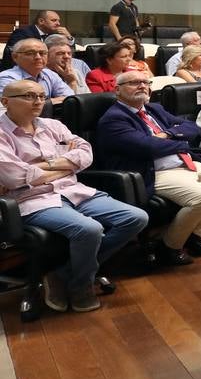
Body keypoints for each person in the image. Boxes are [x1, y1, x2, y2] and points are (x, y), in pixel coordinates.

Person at [0, 79, 148, 313]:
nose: (38, 101)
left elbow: (85, 154)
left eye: (41, 96)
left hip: (74, 191)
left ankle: (63, 274)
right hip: (33, 199)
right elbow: (13, 176)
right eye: (28, 96)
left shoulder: (52, 125)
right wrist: (66, 166)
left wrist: (42, 166)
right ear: (5, 101)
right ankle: (81, 286)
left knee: (136, 218)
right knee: (89, 229)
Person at [95, 71, 201, 265]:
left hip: (184, 163)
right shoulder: (114, 119)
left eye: (145, 82)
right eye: (134, 82)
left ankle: (196, 235)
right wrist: (180, 142)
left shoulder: (153, 108)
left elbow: (192, 127)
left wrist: (166, 134)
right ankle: (169, 245)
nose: (142, 86)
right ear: (117, 90)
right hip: (155, 172)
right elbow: (147, 147)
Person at [0, 38, 73, 102]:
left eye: (42, 53)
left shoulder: (49, 74)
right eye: (30, 53)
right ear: (15, 57)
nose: (38, 57)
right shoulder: (6, 78)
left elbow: (70, 98)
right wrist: (52, 101)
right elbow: (16, 107)